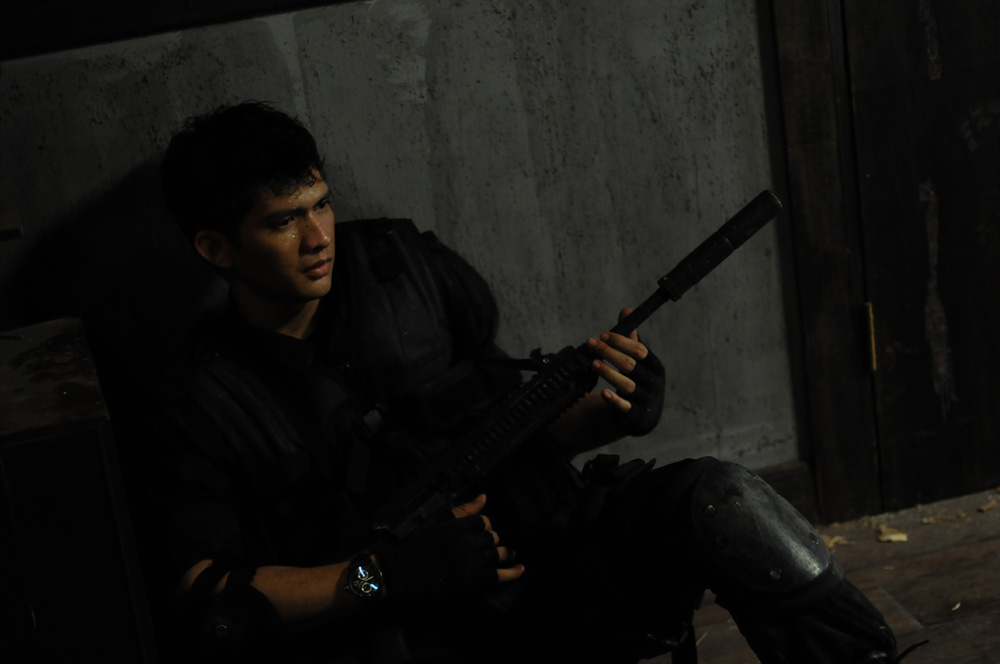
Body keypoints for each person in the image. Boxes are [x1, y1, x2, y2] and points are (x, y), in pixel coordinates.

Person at [144, 101, 911, 664]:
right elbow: (213, 604)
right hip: (410, 631)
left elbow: (509, 432)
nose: (319, 238)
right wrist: (382, 579)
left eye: (321, 205)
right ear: (216, 248)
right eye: (283, 222)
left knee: (720, 498)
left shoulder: (402, 271)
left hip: (553, 563)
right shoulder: (200, 399)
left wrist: (610, 410)